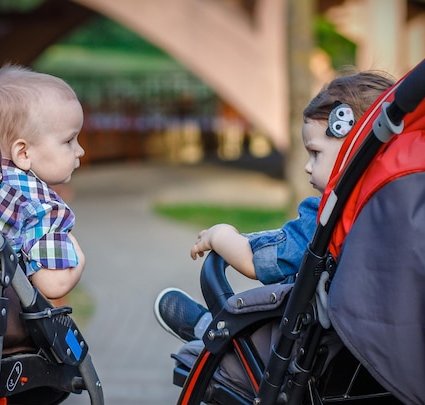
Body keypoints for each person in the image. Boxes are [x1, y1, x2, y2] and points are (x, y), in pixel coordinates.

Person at [155, 69, 395, 342]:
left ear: (356, 150)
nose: (307, 167)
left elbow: (256, 263)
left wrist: (221, 236)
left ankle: (211, 330)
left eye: (315, 154)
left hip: (301, 344)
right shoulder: (395, 216)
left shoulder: (330, 217)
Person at [0, 64, 86, 301]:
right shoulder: (42, 207)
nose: (80, 151)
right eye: (69, 141)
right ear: (23, 153)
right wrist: (78, 258)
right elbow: (53, 284)